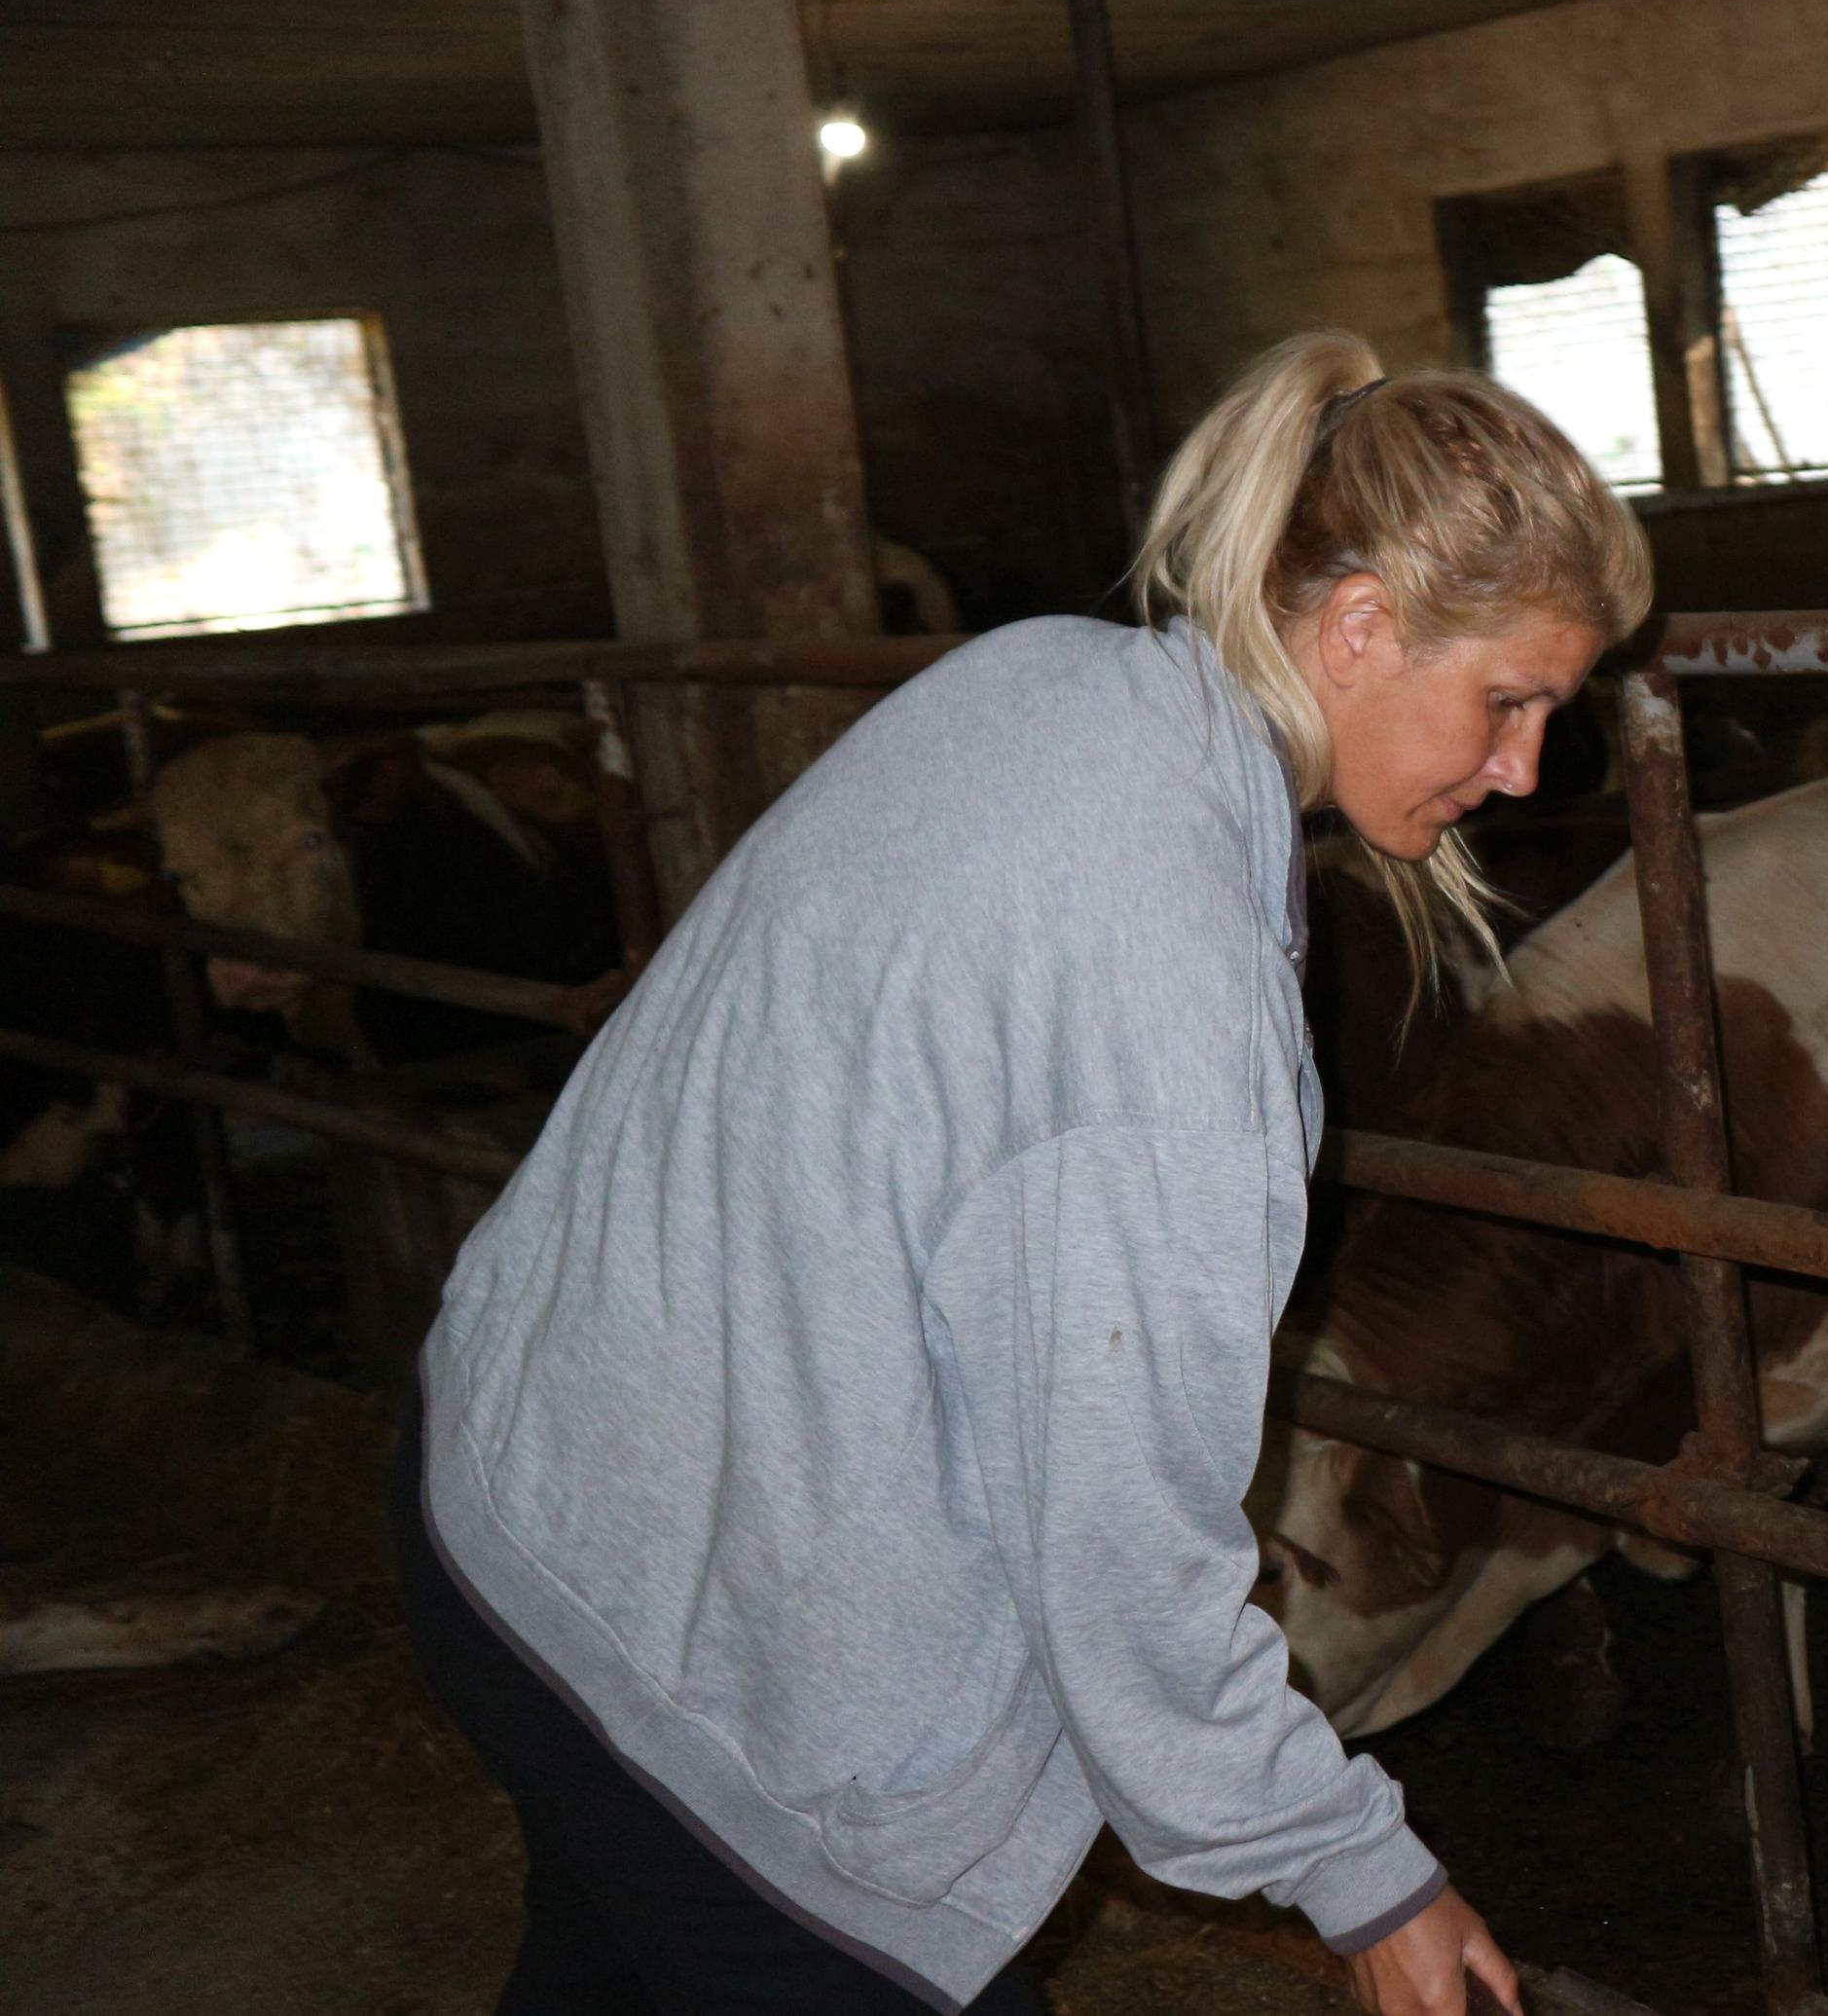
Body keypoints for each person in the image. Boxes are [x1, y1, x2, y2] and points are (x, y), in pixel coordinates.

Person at [395, 328, 1651, 2014]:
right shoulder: (1166, 980)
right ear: (1355, 629)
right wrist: (1355, 1864)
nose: (1524, 771)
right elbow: (1117, 1514)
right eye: (1511, 700)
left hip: (529, 1496)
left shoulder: (1048, 678)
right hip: (707, 1661)